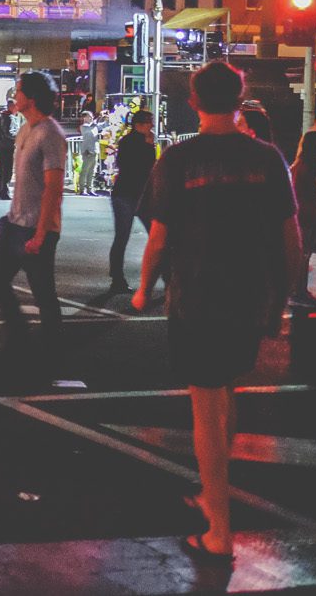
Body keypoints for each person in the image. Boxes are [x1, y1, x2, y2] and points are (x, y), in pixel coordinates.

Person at [132, 61, 300, 562]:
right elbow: (290, 240)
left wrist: (143, 288)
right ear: (239, 97)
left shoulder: (179, 159)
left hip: (197, 296)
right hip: (250, 297)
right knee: (225, 390)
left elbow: (158, 238)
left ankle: (219, 528)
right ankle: (212, 490)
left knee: (205, 405)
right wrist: (282, 297)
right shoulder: (267, 159)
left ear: (193, 102)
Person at [0, 71, 67, 368]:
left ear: (31, 98)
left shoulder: (50, 133)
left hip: (36, 227)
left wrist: (42, 234)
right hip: (14, 222)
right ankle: (20, 337)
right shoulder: (24, 130)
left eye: (17, 92)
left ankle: (53, 353)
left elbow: (54, 189)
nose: (13, 97)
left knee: (44, 293)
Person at [107, 110, 157, 294]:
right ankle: (118, 278)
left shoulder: (136, 142)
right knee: (127, 236)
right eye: (149, 122)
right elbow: (140, 166)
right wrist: (148, 147)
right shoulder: (132, 142)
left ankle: (117, 277)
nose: (152, 126)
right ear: (139, 124)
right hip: (129, 194)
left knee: (126, 236)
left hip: (134, 194)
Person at [290, 124, 316, 309]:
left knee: (306, 254)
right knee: (303, 254)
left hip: (308, 215)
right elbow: (300, 195)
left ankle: (301, 289)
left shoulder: (307, 167)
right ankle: (298, 290)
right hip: (304, 216)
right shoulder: (302, 168)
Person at [0, 103, 17, 200]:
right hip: (7, 147)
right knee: (7, 169)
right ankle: (4, 192)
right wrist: (18, 137)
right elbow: (8, 132)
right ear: (11, 107)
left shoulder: (2, 117)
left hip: (1, 146)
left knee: (2, 170)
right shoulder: (9, 118)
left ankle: (2, 191)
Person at [76, 112, 99, 195]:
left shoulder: (94, 126)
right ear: (85, 118)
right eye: (89, 116)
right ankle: (82, 189)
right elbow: (91, 132)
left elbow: (103, 126)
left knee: (92, 172)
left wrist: (104, 118)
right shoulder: (83, 127)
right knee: (85, 171)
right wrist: (96, 122)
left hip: (95, 150)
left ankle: (90, 189)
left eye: (92, 116)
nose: (91, 117)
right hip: (88, 151)